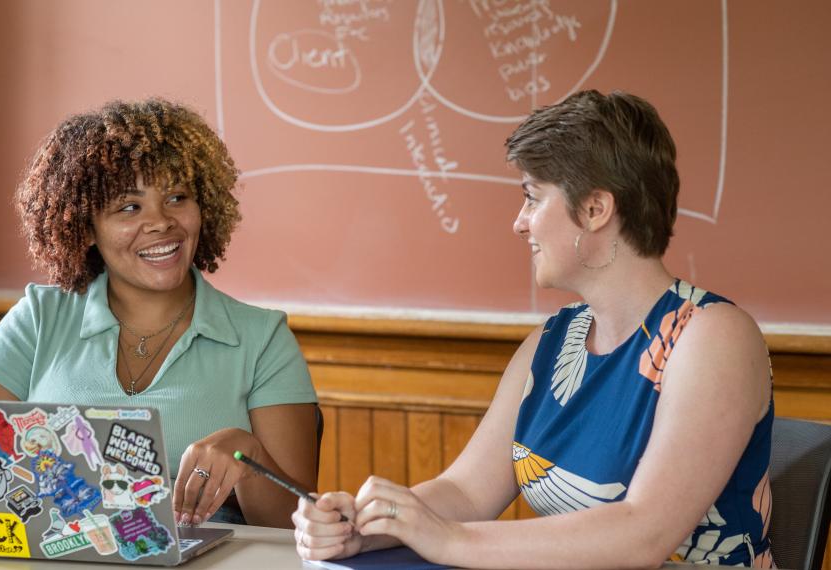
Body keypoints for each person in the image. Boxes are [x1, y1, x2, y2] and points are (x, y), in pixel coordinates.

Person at [292, 90, 774, 567]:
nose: (519, 224)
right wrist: (371, 527)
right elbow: (465, 493)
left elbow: (642, 533)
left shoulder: (714, 337)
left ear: (594, 210)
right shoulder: (551, 341)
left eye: (532, 198)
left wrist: (450, 540)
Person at [0, 98, 319, 529]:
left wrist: (248, 453)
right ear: (85, 227)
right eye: (129, 207)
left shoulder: (263, 338)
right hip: (58, 553)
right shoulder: (39, 317)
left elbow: (294, 523)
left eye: (177, 197)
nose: (161, 223)